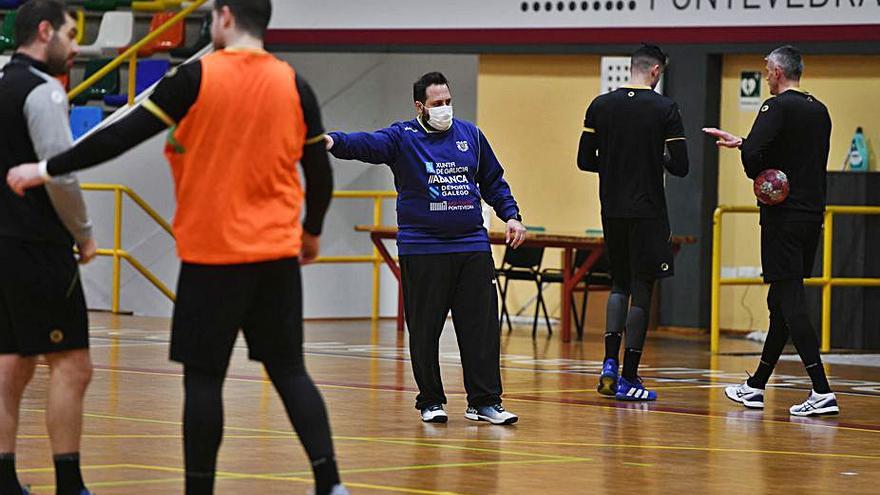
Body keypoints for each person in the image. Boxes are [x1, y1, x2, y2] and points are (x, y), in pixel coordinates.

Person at [7, 0, 348, 492]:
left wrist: (44, 169)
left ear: (226, 16)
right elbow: (320, 172)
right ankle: (330, 483)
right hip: (275, 254)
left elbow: (120, 135)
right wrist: (311, 230)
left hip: (212, 257)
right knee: (291, 371)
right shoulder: (295, 84)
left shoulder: (195, 78)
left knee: (204, 380)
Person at [325, 72, 527, 425]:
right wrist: (332, 141)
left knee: (480, 328)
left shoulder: (471, 136)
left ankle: (484, 402)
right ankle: (431, 400)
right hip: (424, 248)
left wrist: (511, 215)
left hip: (471, 245)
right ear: (420, 106)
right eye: (437, 104)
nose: (445, 109)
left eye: (448, 102)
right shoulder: (402, 137)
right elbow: (366, 144)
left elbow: (493, 180)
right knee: (425, 327)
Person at [704, 45, 839, 417]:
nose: (765, 76)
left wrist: (748, 152)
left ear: (778, 72)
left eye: (767, 70)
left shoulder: (775, 107)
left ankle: (822, 390)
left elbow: (753, 163)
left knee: (790, 299)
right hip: (812, 216)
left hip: (783, 218)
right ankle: (756, 386)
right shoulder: (819, 109)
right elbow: (796, 155)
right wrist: (746, 142)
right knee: (780, 301)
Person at [0, 1, 98, 493]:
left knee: (12, 362)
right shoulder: (43, 92)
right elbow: (62, 173)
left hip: (3, 246)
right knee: (73, 365)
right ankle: (69, 482)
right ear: (44, 31)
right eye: (71, 33)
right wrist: (83, 234)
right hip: (37, 245)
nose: (77, 45)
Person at [577, 44, 689, 402]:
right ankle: (628, 377)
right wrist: (656, 157)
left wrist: (614, 165)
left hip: (611, 209)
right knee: (642, 288)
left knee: (618, 284)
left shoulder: (600, 105)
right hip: (648, 211)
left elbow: (584, 160)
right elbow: (681, 165)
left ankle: (608, 364)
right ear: (656, 71)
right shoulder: (665, 109)